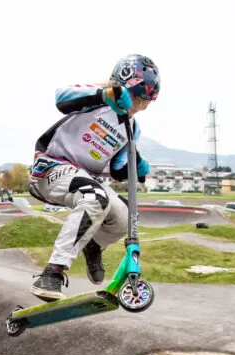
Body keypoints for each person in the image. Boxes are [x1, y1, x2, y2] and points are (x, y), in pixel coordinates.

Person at [27, 54, 160, 302]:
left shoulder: (132, 128)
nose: (138, 106)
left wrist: (137, 165)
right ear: (122, 86)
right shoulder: (97, 98)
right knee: (96, 196)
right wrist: (105, 94)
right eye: (136, 97)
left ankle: (94, 244)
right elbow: (62, 98)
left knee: (126, 216)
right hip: (51, 168)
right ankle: (52, 273)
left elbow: (118, 168)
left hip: (85, 177)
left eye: (145, 102)